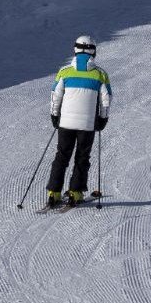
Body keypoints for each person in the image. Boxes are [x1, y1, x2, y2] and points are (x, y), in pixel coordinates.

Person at [46, 34, 113, 209]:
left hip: (66, 124)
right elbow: (106, 99)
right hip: (87, 125)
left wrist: (55, 115)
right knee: (82, 158)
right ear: (93, 52)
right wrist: (103, 118)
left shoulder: (64, 72)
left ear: (75, 50)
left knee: (61, 156)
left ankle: (54, 192)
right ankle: (75, 193)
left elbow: (55, 96)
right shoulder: (100, 75)